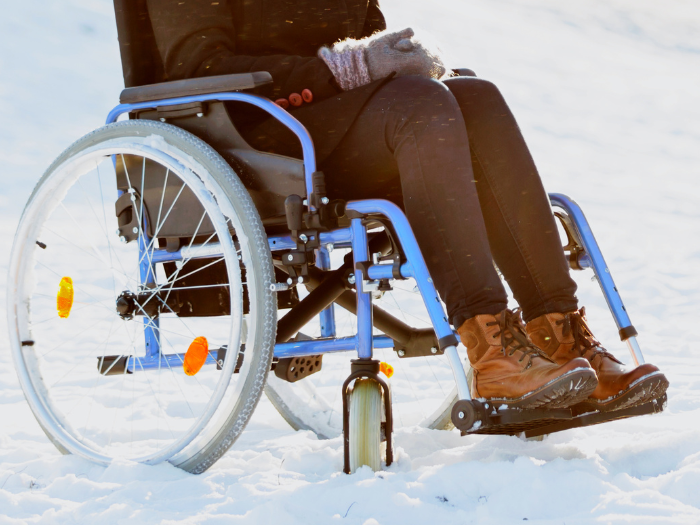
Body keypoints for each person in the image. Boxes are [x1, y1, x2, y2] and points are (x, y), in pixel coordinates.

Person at [145, 0, 668, 411]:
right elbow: (198, 65)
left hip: (333, 125)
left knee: (474, 98)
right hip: (249, 137)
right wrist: (344, 69)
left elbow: (362, 41)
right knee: (422, 108)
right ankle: (492, 351)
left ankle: (557, 335)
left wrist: (391, 60)